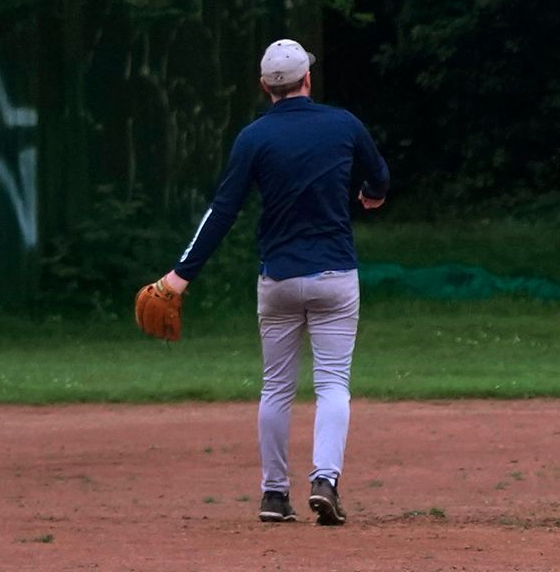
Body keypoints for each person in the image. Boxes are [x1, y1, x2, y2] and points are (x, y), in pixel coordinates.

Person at [151, 38, 391, 526]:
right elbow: (380, 175)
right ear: (308, 79)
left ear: (266, 87)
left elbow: (222, 211)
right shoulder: (342, 123)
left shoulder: (254, 137)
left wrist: (180, 275)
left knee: (277, 387)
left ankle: (274, 495)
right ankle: (324, 479)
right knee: (332, 384)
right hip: (334, 276)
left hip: (278, 279)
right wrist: (371, 192)